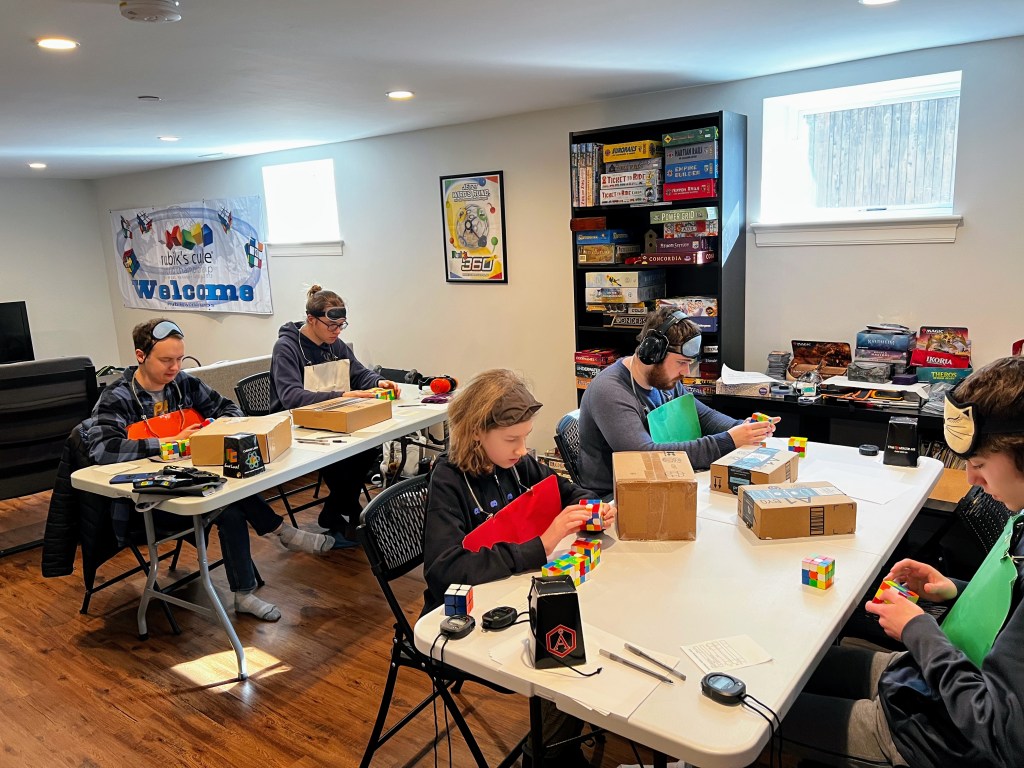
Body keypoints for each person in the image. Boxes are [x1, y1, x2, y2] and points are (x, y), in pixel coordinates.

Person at [779, 356, 1024, 768]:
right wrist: (954, 590)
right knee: (786, 662)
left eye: (980, 465)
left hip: (931, 737)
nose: (970, 479)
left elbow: (1002, 733)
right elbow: (1010, 604)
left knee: (752, 718)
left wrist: (918, 630)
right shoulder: (1021, 512)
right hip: (925, 680)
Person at [421, 369, 615, 768]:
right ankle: (547, 755)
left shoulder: (515, 464)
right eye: (513, 439)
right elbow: (445, 569)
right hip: (468, 616)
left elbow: (564, 491)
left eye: (525, 437)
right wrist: (541, 545)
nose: (523, 449)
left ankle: (558, 745)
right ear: (477, 432)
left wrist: (592, 507)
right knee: (566, 645)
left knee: (592, 623)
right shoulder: (449, 480)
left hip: (516, 585)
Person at [83, 318, 335, 622]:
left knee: (230, 506)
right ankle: (280, 533)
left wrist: (211, 426)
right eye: (166, 360)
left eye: (180, 359)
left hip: (192, 483)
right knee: (229, 502)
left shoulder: (184, 384)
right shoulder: (117, 397)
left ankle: (245, 594)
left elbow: (231, 410)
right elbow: (103, 449)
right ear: (140, 356)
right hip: (148, 500)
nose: (175, 367)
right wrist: (169, 443)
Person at [578, 306, 775, 497]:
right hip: (615, 497)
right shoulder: (610, 391)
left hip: (659, 483)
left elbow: (703, 416)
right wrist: (728, 441)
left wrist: (743, 428)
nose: (686, 372)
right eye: (681, 362)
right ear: (653, 353)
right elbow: (645, 455)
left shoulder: (662, 379)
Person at [269, 285, 400, 546]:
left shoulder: (334, 344)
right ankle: (347, 509)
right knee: (342, 457)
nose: (337, 331)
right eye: (331, 326)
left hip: (331, 418)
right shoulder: (287, 347)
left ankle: (337, 509)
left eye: (341, 325)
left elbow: (359, 373)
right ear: (311, 320)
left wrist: (379, 381)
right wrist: (344, 395)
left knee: (369, 446)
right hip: (295, 424)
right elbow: (291, 397)